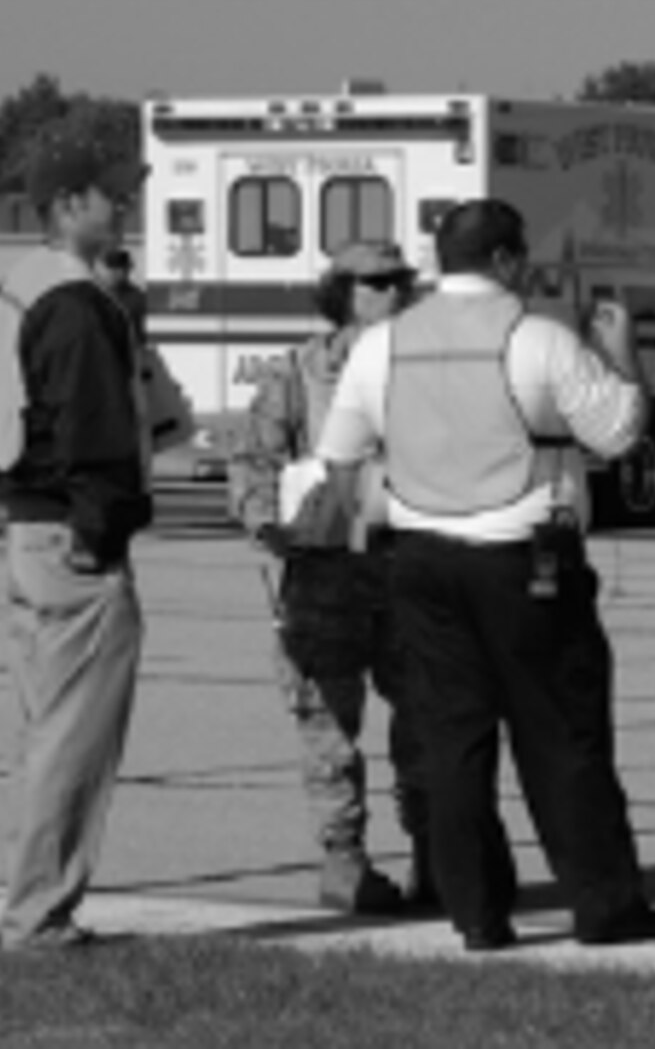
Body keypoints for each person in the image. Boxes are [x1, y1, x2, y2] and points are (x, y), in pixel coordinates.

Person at [316, 199, 655, 952]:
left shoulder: (382, 345)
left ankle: (475, 911)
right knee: (562, 736)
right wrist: (623, 357)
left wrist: (402, 498)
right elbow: (617, 432)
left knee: (450, 740)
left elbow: (343, 453)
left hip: (420, 560)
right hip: (526, 558)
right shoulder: (537, 339)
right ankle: (604, 905)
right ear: (509, 260)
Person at [0, 127, 152, 950]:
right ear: (69, 203)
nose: (128, 203)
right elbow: (94, 436)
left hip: (32, 531)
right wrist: (100, 534)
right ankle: (39, 915)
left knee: (47, 732)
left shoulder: (25, 284)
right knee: (73, 741)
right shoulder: (76, 305)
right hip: (71, 543)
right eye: (113, 193)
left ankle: (32, 905)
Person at [228, 240, 436, 915]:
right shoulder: (296, 374)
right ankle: (344, 861)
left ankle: (438, 855)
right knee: (327, 729)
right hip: (326, 575)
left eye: (401, 282)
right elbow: (253, 465)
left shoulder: (428, 368)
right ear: (341, 293)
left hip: (412, 569)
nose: (395, 294)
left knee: (434, 722)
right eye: (377, 283)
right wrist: (269, 524)